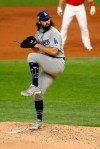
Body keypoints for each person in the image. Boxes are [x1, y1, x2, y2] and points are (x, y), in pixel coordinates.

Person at [20, 11, 65, 130]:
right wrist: (32, 45)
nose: (47, 22)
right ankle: (39, 121)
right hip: (48, 66)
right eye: (44, 20)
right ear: (39, 21)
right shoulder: (38, 33)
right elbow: (38, 51)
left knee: (31, 57)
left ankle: (34, 84)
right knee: (38, 94)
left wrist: (38, 46)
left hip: (57, 63)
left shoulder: (54, 33)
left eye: (48, 19)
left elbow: (54, 52)